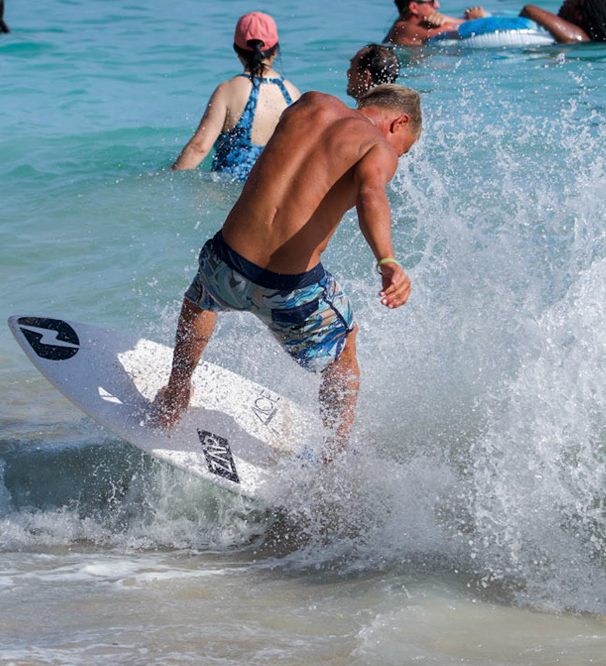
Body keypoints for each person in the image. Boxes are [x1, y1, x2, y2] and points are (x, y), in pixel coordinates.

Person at [152, 84, 424, 453]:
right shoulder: (377, 146)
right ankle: (332, 462)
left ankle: (176, 394)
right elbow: (370, 195)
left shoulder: (310, 102)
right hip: (288, 293)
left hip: (224, 265)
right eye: (402, 148)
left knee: (202, 297)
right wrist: (387, 261)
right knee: (344, 346)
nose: (397, 157)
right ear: (399, 121)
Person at [171, 12, 303, 181]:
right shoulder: (292, 94)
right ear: (275, 52)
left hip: (230, 191)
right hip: (273, 188)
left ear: (237, 51)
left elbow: (199, 147)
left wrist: (168, 178)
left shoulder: (228, 91)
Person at [384, 0, 488, 46]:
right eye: (431, 1)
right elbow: (462, 28)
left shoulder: (404, 23)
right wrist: (473, 19)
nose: (437, 5)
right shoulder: (406, 29)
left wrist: (447, 19)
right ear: (414, 8)